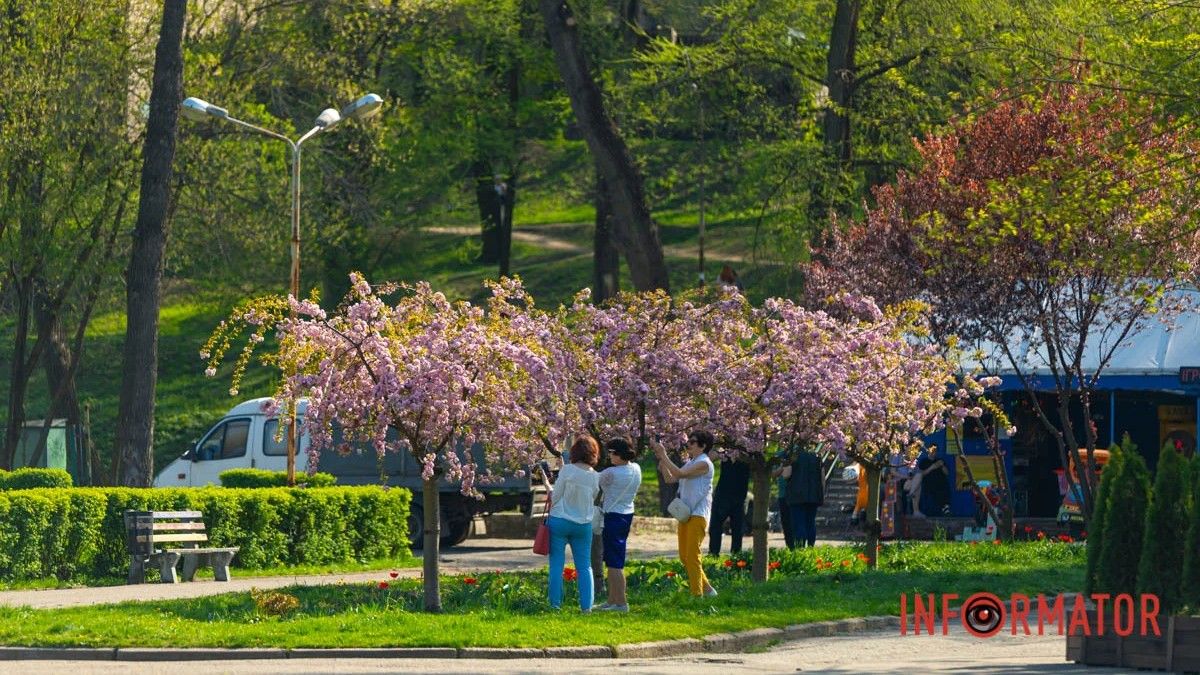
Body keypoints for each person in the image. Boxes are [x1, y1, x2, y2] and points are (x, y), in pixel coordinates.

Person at [654, 430, 718, 597]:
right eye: (688, 440)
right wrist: (663, 463)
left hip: (698, 514)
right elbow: (671, 479)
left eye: (693, 441)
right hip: (686, 514)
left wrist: (664, 455)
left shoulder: (704, 463)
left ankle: (697, 595)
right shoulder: (691, 462)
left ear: (703, 446)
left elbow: (680, 474)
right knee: (684, 556)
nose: (688, 443)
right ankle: (708, 590)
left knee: (693, 555)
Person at [547, 436, 601, 612]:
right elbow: (591, 498)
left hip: (560, 521)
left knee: (556, 564)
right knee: (585, 566)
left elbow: (555, 497)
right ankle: (586, 607)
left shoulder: (567, 470)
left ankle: (555, 605)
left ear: (575, 452)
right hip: (583, 524)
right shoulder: (595, 476)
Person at [595, 437, 641, 613]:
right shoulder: (636, 468)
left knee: (614, 562)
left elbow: (593, 480)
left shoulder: (611, 473)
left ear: (619, 454)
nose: (609, 456)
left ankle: (621, 602)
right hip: (626, 514)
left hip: (612, 516)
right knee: (614, 559)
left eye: (612, 453)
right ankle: (612, 600)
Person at [708, 450, 749, 555]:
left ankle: (736, 556)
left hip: (739, 495)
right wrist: (722, 452)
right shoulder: (726, 449)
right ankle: (713, 554)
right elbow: (710, 457)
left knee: (737, 529)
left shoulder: (751, 453)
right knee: (715, 527)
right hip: (722, 494)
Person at [782, 446, 824, 548]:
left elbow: (786, 474)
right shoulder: (817, 454)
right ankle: (810, 548)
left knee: (799, 524)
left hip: (796, 494)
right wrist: (821, 493)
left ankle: (800, 549)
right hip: (814, 494)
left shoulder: (792, 452)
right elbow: (822, 476)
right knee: (810, 523)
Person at [915, 445, 951, 517]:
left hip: (941, 484)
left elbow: (947, 473)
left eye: (935, 451)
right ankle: (940, 510)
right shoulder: (924, 462)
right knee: (933, 491)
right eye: (932, 450)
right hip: (929, 484)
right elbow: (921, 474)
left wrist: (942, 465)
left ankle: (945, 509)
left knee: (944, 489)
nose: (933, 453)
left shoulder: (940, 460)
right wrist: (932, 467)